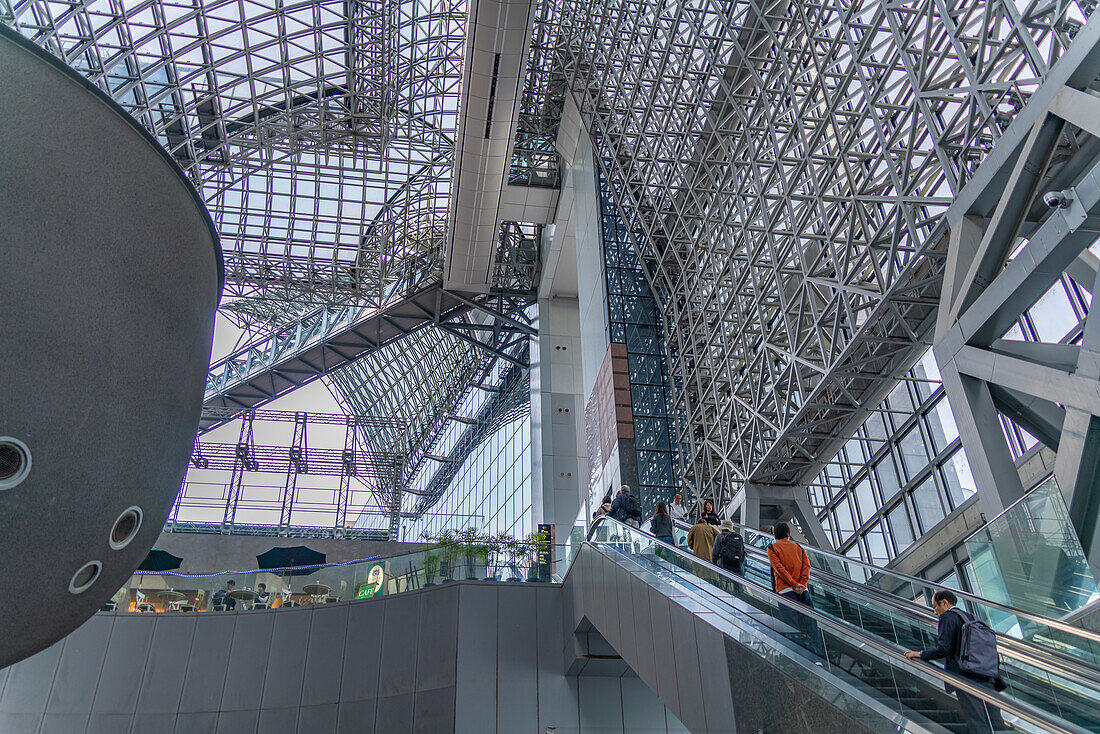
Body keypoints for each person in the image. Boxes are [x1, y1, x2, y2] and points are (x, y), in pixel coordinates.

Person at [905, 590, 1006, 734]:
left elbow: (944, 648)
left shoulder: (948, 617)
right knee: (995, 720)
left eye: (935, 607)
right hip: (986, 675)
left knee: (977, 720)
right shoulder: (972, 617)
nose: (935, 612)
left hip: (965, 675)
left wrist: (921, 654)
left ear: (945, 603)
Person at [767, 522, 822, 657]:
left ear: (774, 535)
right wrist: (801, 584)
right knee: (810, 624)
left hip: (785, 591)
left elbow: (779, 569)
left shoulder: (772, 548)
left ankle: (798, 658)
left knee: (792, 626)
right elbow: (807, 567)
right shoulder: (798, 547)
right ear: (788, 533)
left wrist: (792, 584)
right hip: (804, 591)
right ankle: (817, 656)